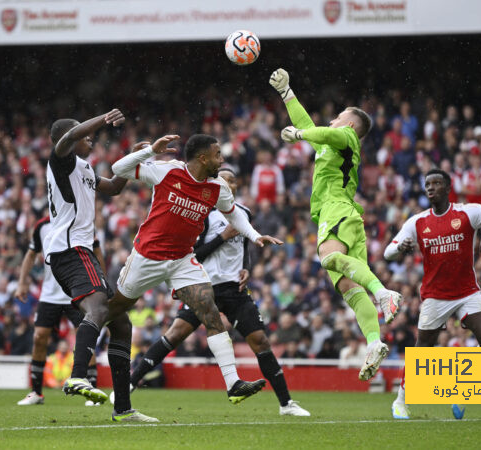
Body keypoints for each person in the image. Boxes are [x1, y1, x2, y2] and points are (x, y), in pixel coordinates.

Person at [106, 134, 283, 415]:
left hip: (182, 259)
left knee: (210, 313)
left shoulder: (217, 187)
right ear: (203, 158)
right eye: (217, 154)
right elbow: (118, 170)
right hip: (148, 256)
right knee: (114, 310)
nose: (221, 159)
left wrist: (255, 235)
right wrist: (150, 151)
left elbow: (234, 214)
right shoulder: (168, 170)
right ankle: (84, 360)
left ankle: (233, 383)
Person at [124, 168, 310, 416]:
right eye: (223, 179)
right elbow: (192, 254)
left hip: (234, 289)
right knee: (175, 334)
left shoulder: (243, 213)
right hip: (203, 287)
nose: (228, 184)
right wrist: (222, 237)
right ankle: (129, 384)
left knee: (261, 341)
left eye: (232, 180)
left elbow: (244, 247)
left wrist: (246, 268)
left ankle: (286, 404)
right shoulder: (201, 214)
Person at [269, 68, 402, 381]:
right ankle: (374, 342)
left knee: (328, 258)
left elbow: (319, 132)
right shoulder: (332, 146)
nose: (332, 120)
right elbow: (310, 126)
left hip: (337, 209)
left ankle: (384, 293)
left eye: (339, 116)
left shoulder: (347, 137)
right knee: (351, 292)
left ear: (351, 123)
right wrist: (287, 94)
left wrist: (300, 135)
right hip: (347, 217)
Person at [45, 109, 156, 423]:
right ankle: (79, 375)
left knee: (121, 324)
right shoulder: (61, 159)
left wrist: (133, 158)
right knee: (99, 309)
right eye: (84, 135)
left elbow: (114, 188)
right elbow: (69, 137)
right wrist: (102, 119)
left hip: (78, 252)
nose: (89, 138)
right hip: (71, 250)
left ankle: (123, 408)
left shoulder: (83, 166)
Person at [384, 169, 481, 420]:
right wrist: (401, 247)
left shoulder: (469, 212)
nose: (430, 187)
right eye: (427, 184)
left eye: (436, 183)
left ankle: (460, 391)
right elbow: (388, 252)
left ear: (447, 187)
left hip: (467, 292)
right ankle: (400, 401)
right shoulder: (417, 222)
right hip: (435, 296)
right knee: (423, 348)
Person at [14, 216, 101, 406]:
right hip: (50, 295)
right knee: (39, 337)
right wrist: (22, 283)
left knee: (84, 336)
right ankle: (36, 392)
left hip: (76, 291)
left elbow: (96, 251)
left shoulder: (80, 221)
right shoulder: (42, 226)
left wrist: (99, 283)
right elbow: (30, 254)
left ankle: (91, 390)